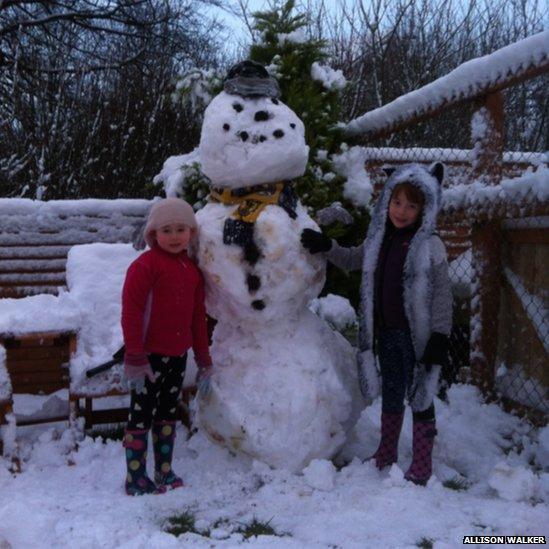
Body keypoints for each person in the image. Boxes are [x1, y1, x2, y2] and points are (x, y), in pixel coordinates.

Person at [301, 163, 452, 485]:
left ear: (426, 208)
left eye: (412, 205)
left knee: (421, 397)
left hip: (419, 337)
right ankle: (386, 452)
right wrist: (327, 247)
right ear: (387, 202)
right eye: (396, 202)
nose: (402, 211)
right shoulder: (380, 239)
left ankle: (422, 465)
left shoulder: (430, 245)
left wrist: (440, 335)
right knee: (393, 392)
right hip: (386, 332)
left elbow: (442, 295)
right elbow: (355, 259)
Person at [121, 197, 212, 496]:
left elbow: (198, 318)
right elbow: (131, 312)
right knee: (141, 415)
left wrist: (203, 359)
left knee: (167, 414)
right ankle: (136, 477)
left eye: (181, 229)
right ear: (153, 234)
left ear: (191, 233)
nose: (174, 237)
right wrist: (134, 354)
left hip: (177, 356)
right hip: (146, 358)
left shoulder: (192, 271)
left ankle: (164, 471)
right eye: (167, 230)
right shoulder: (144, 266)